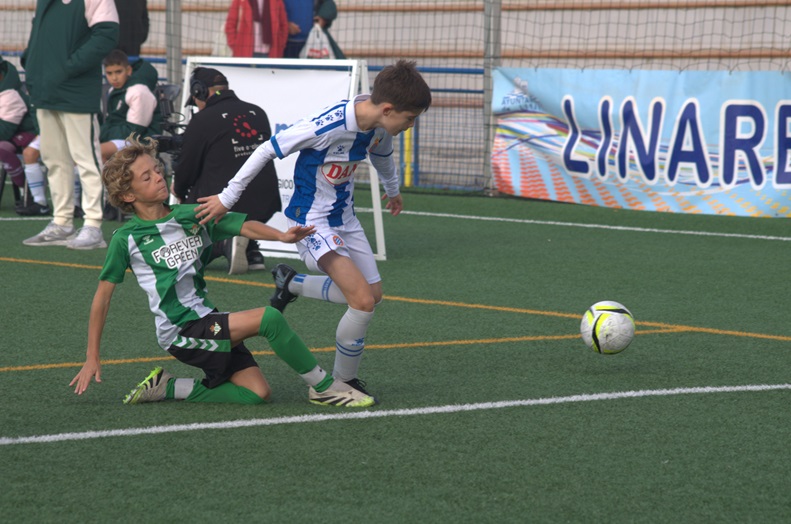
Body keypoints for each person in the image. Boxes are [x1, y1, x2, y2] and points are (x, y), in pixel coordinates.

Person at [69, 134, 375, 408]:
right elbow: (102, 298)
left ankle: (170, 387)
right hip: (180, 332)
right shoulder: (127, 239)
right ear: (128, 195)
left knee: (257, 393)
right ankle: (324, 388)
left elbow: (241, 225)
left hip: (207, 318)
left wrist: (280, 236)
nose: (158, 178)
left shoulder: (191, 215)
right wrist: (92, 356)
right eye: (146, 177)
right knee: (270, 318)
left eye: (158, 170)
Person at [195, 60, 432, 402]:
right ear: (388, 108)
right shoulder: (329, 125)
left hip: (345, 220)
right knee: (363, 302)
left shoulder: (379, 124)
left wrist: (393, 189)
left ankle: (291, 283)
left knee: (374, 294)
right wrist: (228, 197)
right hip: (311, 222)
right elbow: (266, 149)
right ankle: (341, 383)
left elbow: (382, 155)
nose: (410, 126)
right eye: (410, 119)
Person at [21, 0, 119, 250]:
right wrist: (32, 64)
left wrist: (68, 66)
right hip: (45, 89)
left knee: (86, 159)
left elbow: (107, 34)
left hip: (76, 92)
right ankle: (62, 222)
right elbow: (38, 35)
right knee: (54, 160)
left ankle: (93, 225)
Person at [173, 67, 280, 275]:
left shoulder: (202, 120)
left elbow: (186, 171)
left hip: (227, 205)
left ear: (200, 91)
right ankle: (250, 249)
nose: (196, 105)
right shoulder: (258, 112)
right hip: (265, 204)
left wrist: (178, 189)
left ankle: (221, 243)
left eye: (195, 99)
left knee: (187, 207)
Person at [0, 56, 49, 215]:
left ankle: (24, 190)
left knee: (2, 149)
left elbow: (5, 131)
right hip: (16, 135)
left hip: (31, 133)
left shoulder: (10, 96)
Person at [99, 50, 160, 163]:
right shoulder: (114, 90)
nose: (114, 78)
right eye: (109, 73)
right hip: (121, 139)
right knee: (82, 149)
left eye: (118, 72)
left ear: (128, 70)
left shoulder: (139, 91)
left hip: (140, 141)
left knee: (97, 151)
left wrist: (103, 134)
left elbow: (134, 132)